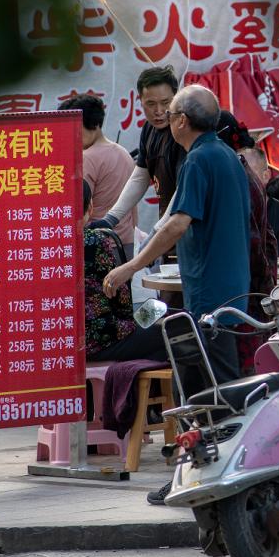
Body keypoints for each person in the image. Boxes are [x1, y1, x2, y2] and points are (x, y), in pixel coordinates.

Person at [101, 85, 250, 504]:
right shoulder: (223, 156)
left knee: (205, 390)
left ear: (182, 120)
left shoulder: (200, 159)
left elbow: (176, 222)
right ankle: (205, 474)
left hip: (211, 298)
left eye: (170, 109)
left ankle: (210, 477)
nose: (164, 115)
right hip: (225, 291)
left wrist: (132, 265)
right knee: (207, 387)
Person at [214, 111, 278, 374]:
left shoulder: (236, 177)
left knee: (249, 369)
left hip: (246, 288)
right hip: (253, 284)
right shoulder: (238, 172)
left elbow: (253, 241)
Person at [90, 66, 184, 232]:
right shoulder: (149, 129)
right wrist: (111, 218)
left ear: (176, 98)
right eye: (150, 104)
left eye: (165, 103)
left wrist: (158, 231)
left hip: (186, 225)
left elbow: (185, 188)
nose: (159, 111)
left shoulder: (184, 132)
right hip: (167, 227)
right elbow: (141, 176)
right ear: (139, 100)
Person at [81, 182, 167, 362]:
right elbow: (120, 299)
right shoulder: (95, 240)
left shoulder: (45, 249)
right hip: (101, 341)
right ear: (90, 206)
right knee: (169, 332)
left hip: (60, 342)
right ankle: (133, 385)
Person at [62, 94, 137, 260]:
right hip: (126, 244)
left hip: (98, 247)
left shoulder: (87, 158)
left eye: (77, 128)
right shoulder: (123, 152)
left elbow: (78, 209)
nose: (73, 135)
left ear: (94, 124)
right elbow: (133, 208)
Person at [242, 147, 279, 259]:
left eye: (248, 174)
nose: (241, 179)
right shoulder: (227, 213)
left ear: (266, 176)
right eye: (236, 173)